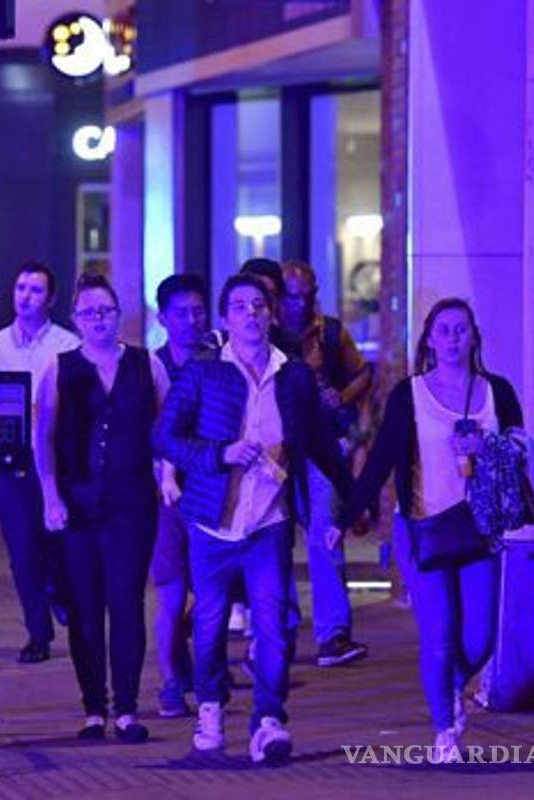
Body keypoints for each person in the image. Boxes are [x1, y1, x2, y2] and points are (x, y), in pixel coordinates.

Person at [154, 274, 352, 764]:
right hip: (212, 523)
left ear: (271, 314)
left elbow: (322, 443)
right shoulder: (204, 371)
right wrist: (219, 454)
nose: (250, 314)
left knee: (272, 624)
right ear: (226, 318)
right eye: (239, 306)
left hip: (270, 521)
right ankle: (210, 709)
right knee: (210, 621)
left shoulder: (294, 375)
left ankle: (269, 720)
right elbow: (165, 436)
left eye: (259, 305)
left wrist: (352, 501)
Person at [335, 297, 523, 761]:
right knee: (439, 636)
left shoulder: (498, 392)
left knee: (479, 636)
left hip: (480, 529)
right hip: (422, 526)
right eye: (444, 330)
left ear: (474, 336)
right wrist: (345, 518)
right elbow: (380, 459)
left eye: (461, 329)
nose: (453, 338)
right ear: (430, 340)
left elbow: (521, 452)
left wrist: (486, 445)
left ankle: (451, 684)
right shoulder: (410, 394)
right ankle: (444, 732)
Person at [35, 273, 170, 744]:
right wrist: (50, 495)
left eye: (106, 311)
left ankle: (127, 708)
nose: (98, 320)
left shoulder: (146, 364)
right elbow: (43, 436)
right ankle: (94, 708)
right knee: (85, 607)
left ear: (119, 315)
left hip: (132, 502)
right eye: (89, 312)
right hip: (78, 502)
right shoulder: (61, 368)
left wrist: (167, 474)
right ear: (75, 319)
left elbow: (165, 428)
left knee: (126, 601)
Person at [0, 262, 80, 663]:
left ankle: (59, 591)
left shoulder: (67, 345)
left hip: (58, 460)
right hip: (11, 460)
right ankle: (38, 633)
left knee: (60, 542)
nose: (25, 296)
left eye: (36, 290)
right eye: (21, 287)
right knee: (23, 549)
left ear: (51, 299)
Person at [279, 260, 373, 666]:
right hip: (278, 447)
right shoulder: (267, 332)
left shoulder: (330, 332)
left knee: (325, 534)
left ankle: (333, 635)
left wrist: (343, 397)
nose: (300, 305)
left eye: (307, 296)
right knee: (276, 540)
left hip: (321, 444)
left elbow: (363, 374)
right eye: (292, 297)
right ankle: (277, 634)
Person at [150, 273, 210, 717]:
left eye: (198, 311)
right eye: (181, 313)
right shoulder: (150, 368)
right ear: (163, 319)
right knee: (171, 593)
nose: (191, 321)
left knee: (211, 593)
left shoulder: (221, 363)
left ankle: (203, 674)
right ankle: (171, 682)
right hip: (165, 496)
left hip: (212, 490)